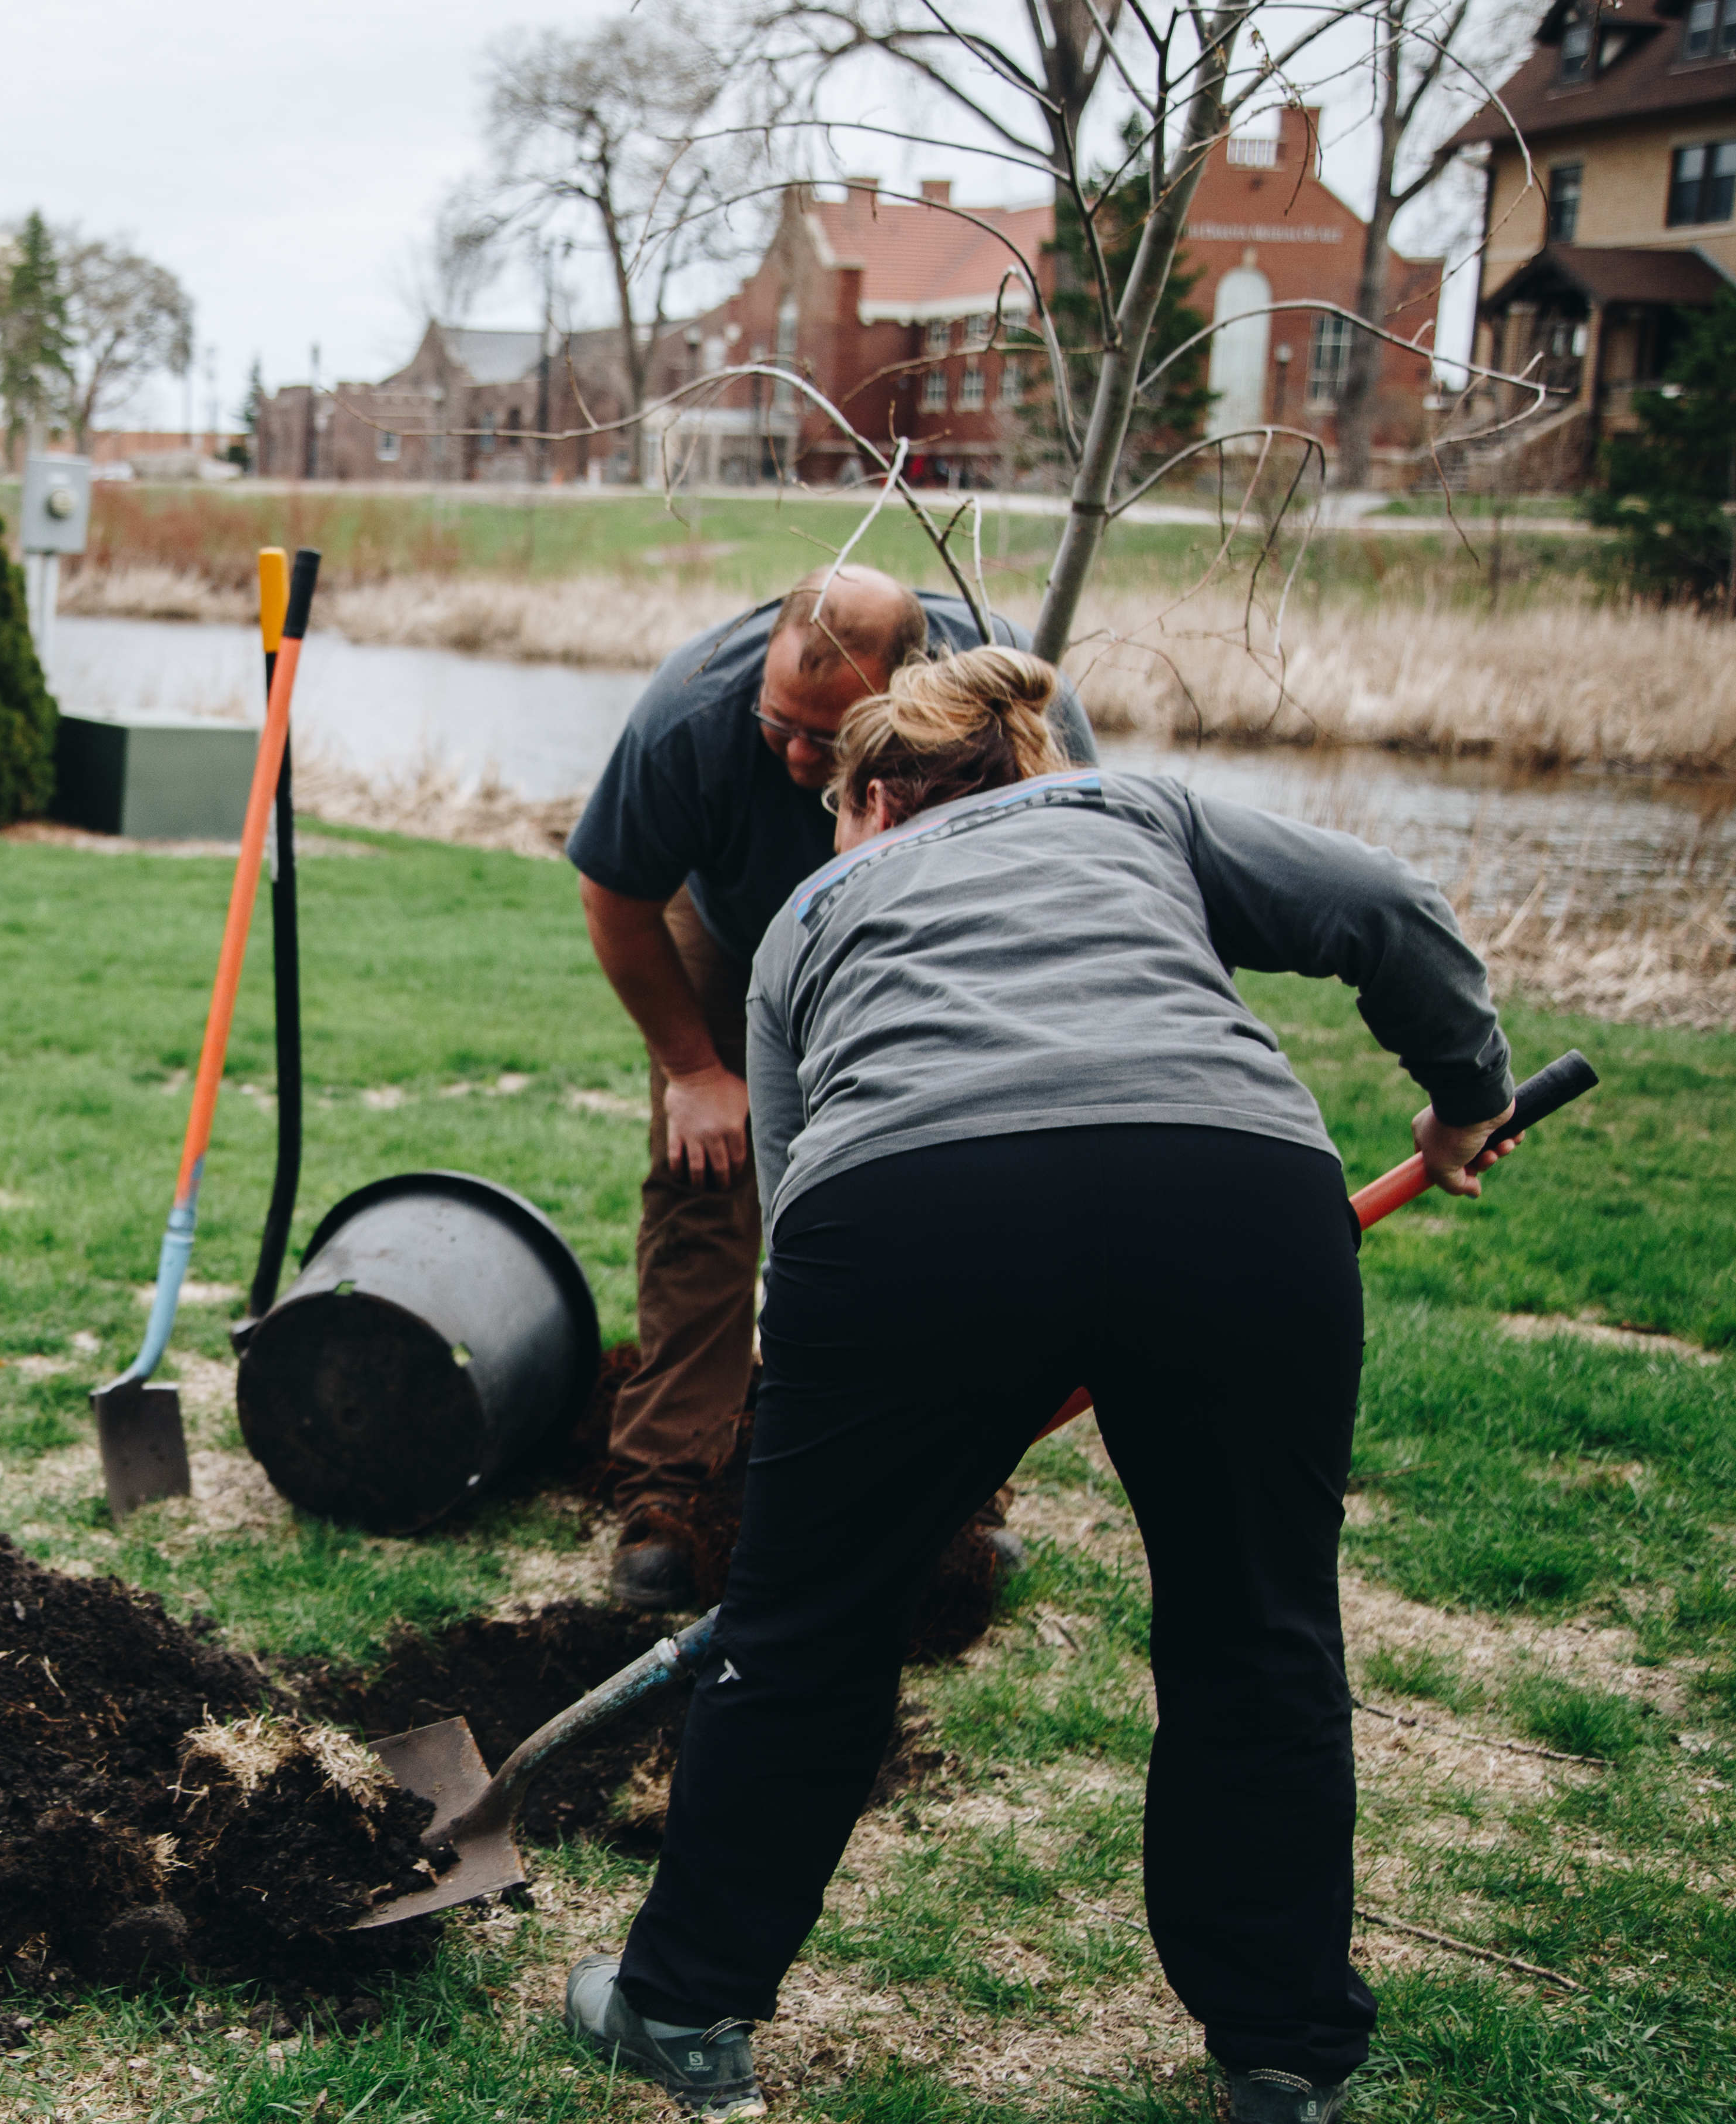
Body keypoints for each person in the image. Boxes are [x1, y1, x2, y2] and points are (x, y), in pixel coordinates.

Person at [565, 647, 1519, 2123]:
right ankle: (1280, 2058)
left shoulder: (814, 909)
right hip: (1235, 1193)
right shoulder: (1134, 812)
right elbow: (1388, 909)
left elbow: (798, 1195)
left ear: (872, 795)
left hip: (911, 1218)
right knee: (1256, 1634)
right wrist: (1466, 1097)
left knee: (805, 1631)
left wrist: (874, 1399)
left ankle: (680, 2007)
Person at [565, 563, 1098, 1609]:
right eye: (782, 723)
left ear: (907, 688)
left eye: (831, 734)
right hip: (733, 934)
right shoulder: (689, 716)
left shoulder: (1001, 711)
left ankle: (952, 1487)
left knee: (938, 1203)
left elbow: (1070, 867)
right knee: (702, 1185)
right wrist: (693, 1071)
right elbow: (615, 897)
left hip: (925, 951)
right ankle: (668, 1488)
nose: (801, 755)